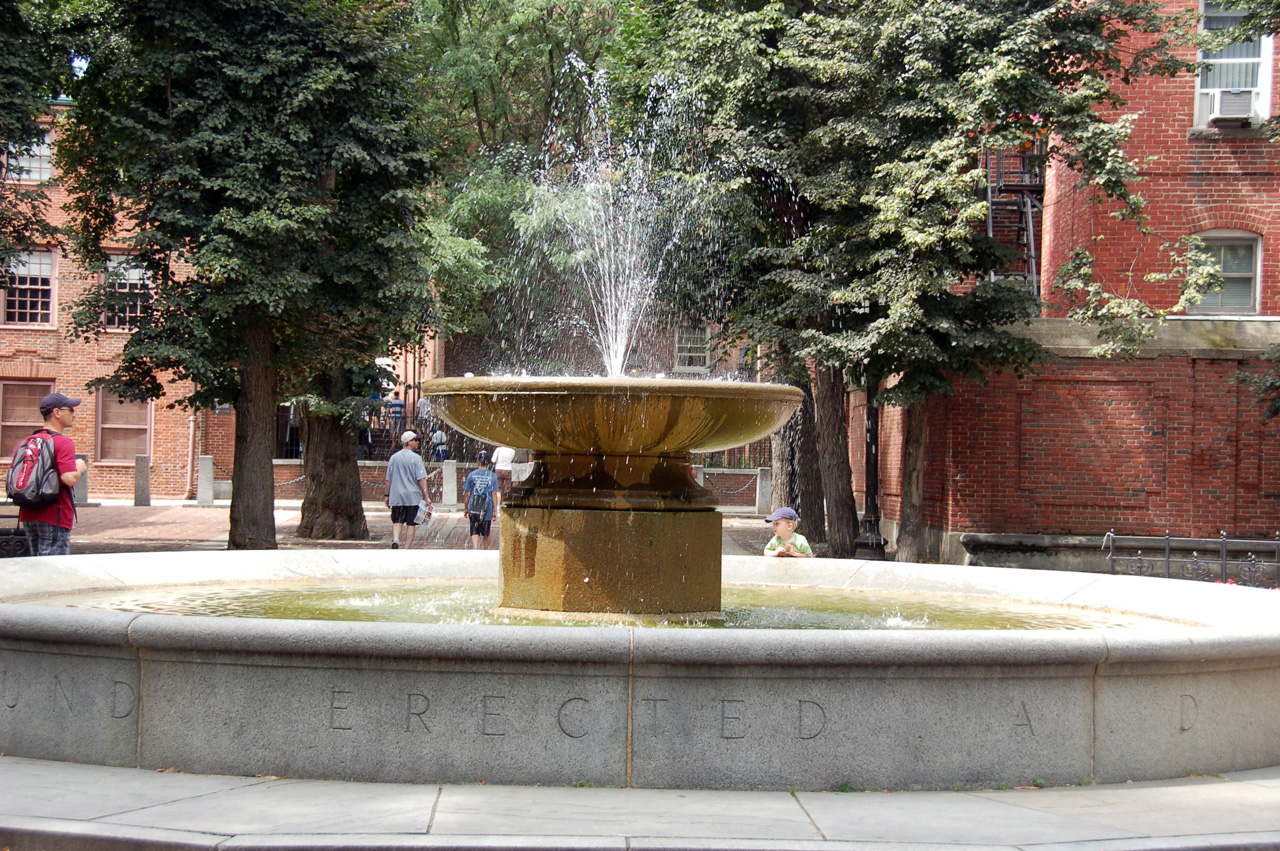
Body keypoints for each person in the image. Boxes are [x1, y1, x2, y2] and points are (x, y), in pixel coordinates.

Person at [18, 392, 88, 556]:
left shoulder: (27, 442)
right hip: (54, 514)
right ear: (57, 413)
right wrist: (79, 467)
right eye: (70, 409)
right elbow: (68, 478)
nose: (74, 414)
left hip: (28, 513)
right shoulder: (63, 442)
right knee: (53, 570)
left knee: (36, 565)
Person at [384, 430, 431, 549]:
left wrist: (386, 495)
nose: (418, 442)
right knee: (411, 523)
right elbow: (421, 479)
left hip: (397, 495)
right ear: (409, 442)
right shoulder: (416, 458)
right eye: (416, 440)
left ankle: (396, 539)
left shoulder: (394, 458)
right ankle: (407, 548)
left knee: (397, 520)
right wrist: (427, 497)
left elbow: (388, 479)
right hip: (413, 496)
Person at [462, 450, 500, 550]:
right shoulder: (492, 476)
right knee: (486, 529)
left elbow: (467, 494)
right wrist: (495, 510)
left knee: (475, 528)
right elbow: (494, 494)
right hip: (487, 506)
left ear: (478, 461)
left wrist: (466, 508)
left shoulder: (472, 475)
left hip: (474, 504)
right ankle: (485, 550)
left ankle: (475, 548)